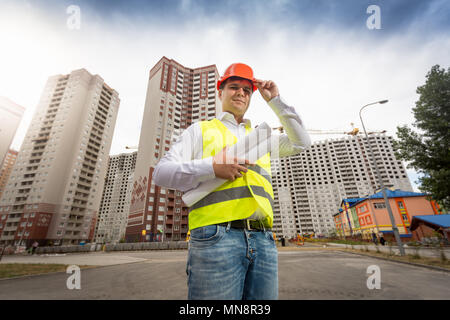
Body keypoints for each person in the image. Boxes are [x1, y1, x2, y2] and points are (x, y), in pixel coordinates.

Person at [153, 62, 311, 300]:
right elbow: (161, 172)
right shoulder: (200, 130)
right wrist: (212, 168)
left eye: (247, 90)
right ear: (220, 92)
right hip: (216, 237)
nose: (241, 93)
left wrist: (275, 100)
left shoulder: (262, 138)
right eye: (234, 87)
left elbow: (301, 142)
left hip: (264, 239)